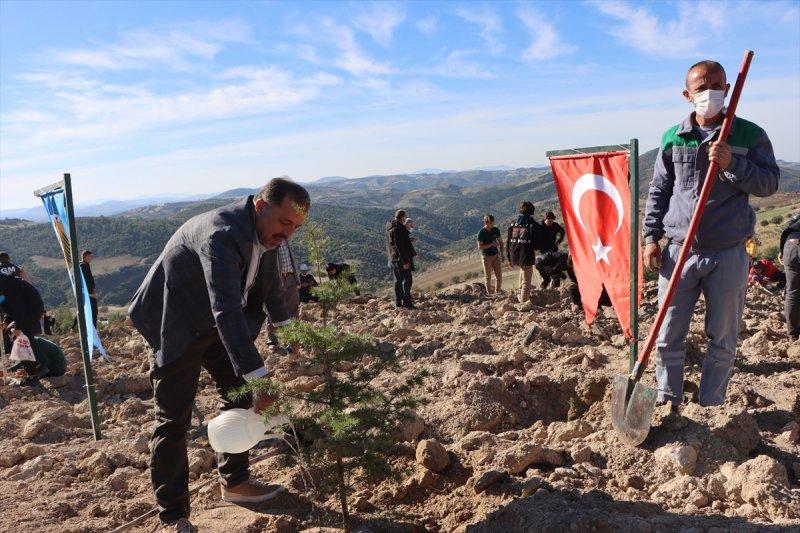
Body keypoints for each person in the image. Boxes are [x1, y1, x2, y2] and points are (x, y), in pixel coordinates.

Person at [128, 178, 310, 532]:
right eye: (285, 222)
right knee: (174, 418)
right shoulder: (222, 235)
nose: (288, 233)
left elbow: (270, 285)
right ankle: (173, 517)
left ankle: (236, 483)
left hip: (214, 324)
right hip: (176, 322)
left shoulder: (267, 235)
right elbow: (226, 310)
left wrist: (288, 329)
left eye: (296, 227)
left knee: (239, 394)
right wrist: (260, 377)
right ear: (260, 206)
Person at [643, 60, 780, 412]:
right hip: (678, 252)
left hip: (729, 253)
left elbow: (769, 184)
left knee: (722, 338)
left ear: (728, 89)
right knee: (668, 333)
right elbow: (659, 189)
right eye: (701, 89)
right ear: (687, 95)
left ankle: (710, 408)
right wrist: (649, 237)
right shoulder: (673, 137)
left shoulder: (749, 135)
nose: (709, 94)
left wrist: (733, 164)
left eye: (716, 85)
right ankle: (667, 403)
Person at [268, 240, 301, 354]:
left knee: (294, 309)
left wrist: (296, 279)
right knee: (273, 308)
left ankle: (294, 341)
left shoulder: (285, 240)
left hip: (290, 277)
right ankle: (273, 341)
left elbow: (290, 260)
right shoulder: (270, 239)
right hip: (277, 279)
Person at [506, 201, 541, 302]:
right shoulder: (533, 225)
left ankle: (521, 295)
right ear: (532, 211)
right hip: (526, 255)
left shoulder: (513, 224)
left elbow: (508, 242)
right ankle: (523, 302)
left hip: (514, 254)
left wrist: (509, 258)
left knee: (522, 273)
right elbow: (537, 244)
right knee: (527, 281)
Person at [0, 275, 44, 353]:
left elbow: (19, 309)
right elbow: (7, 305)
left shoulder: (7, 284)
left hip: (32, 309)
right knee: (10, 331)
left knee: (23, 336)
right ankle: (25, 360)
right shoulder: (2, 289)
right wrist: (6, 321)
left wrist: (17, 329)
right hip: (22, 310)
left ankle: (37, 362)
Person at [387, 209, 416, 308]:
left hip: (394, 257)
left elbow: (395, 243)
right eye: (405, 216)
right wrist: (405, 261)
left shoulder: (391, 227)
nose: (405, 218)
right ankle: (407, 302)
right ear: (403, 217)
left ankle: (398, 302)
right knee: (408, 280)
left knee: (398, 280)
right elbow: (400, 246)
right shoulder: (398, 228)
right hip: (401, 258)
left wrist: (408, 240)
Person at [780, 211, 800, 340]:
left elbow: (788, 227)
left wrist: (782, 250)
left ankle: (792, 335)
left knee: (792, 293)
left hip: (790, 245)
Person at [477, 214, 503, 295]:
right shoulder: (481, 233)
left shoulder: (496, 230)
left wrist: (502, 254)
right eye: (490, 223)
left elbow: (501, 242)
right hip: (486, 257)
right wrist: (491, 244)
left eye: (493, 222)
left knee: (499, 276)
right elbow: (479, 247)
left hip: (495, 255)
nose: (492, 224)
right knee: (488, 277)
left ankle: (497, 292)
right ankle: (490, 295)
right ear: (486, 222)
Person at [80, 251, 98, 327]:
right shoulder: (83, 266)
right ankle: (92, 328)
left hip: (89, 292)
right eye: (90, 256)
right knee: (92, 312)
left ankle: (93, 328)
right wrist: (91, 292)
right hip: (88, 294)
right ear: (86, 256)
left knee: (93, 312)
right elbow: (86, 280)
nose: (92, 258)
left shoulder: (86, 265)